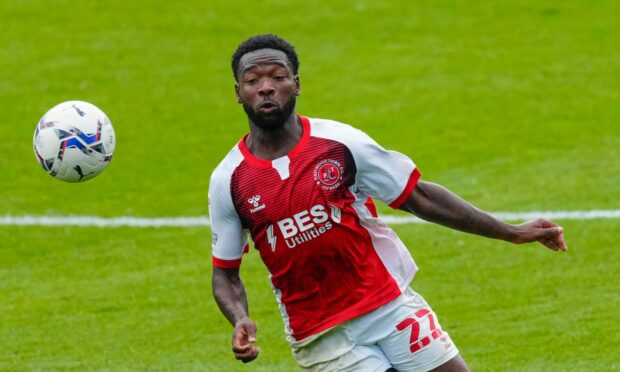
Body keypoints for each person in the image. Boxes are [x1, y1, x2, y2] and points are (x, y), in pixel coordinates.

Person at [209, 34, 567, 371]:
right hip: (320, 333)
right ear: (238, 92)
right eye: (253, 80)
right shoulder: (229, 179)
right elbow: (225, 272)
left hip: (388, 304)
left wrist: (512, 233)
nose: (266, 87)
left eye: (278, 76)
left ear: (297, 85)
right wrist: (239, 318)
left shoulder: (341, 143)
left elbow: (419, 197)